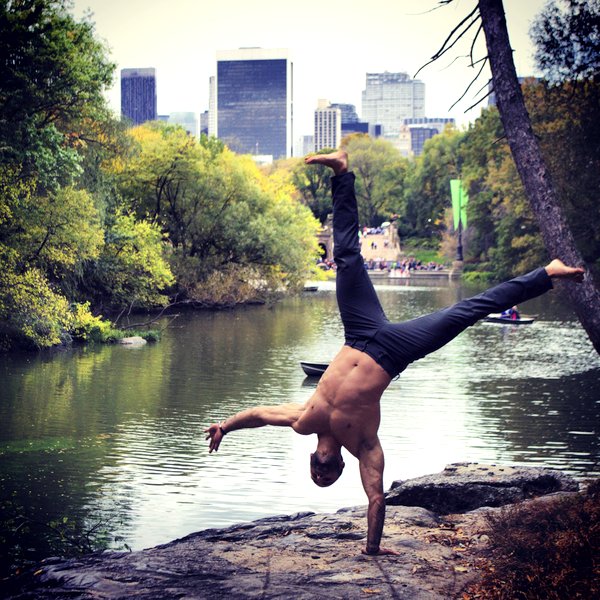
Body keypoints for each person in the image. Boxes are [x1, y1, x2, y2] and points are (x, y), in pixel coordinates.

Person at [205, 150, 585, 556]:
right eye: (326, 479)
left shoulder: (304, 421)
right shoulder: (364, 444)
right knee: (468, 311)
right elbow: (375, 499)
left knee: (347, 259)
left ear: (316, 459)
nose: (321, 473)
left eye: (317, 474)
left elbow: (261, 415)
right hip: (393, 352)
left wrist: (225, 427)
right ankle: (547, 274)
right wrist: (372, 549)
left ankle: (342, 172)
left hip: (358, 332)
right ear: (337, 467)